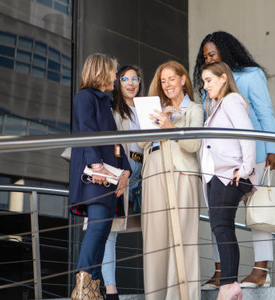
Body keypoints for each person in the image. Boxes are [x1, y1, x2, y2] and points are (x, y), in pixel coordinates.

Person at [193, 31, 275, 289]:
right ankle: (221, 271)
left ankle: (261, 271)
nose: (207, 58)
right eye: (205, 55)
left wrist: (274, 150)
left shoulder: (251, 76)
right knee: (218, 217)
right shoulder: (207, 85)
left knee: (258, 213)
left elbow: (265, 113)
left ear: (226, 51)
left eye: (212, 53)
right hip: (217, 164)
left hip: (256, 157)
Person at [69, 53, 131, 300]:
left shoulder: (104, 101)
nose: (115, 78)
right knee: (97, 228)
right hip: (96, 175)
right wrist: (96, 165)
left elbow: (115, 142)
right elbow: (86, 131)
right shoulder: (85, 96)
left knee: (103, 229)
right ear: (101, 72)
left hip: (109, 175)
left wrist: (125, 168)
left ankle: (93, 286)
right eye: (114, 72)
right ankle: (82, 286)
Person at [140, 60, 203, 299]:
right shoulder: (158, 109)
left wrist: (169, 127)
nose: (167, 85)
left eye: (171, 79)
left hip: (181, 174)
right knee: (155, 240)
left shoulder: (194, 109)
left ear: (183, 80)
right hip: (153, 172)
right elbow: (141, 143)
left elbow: (193, 144)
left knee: (182, 237)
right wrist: (158, 122)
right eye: (163, 81)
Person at [199, 61, 256, 300]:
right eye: (203, 82)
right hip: (216, 176)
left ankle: (229, 284)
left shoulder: (232, 101)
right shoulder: (216, 107)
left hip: (229, 174)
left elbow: (247, 135)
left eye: (208, 80)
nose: (205, 86)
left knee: (223, 227)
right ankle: (228, 283)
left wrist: (244, 170)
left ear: (224, 78)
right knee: (220, 228)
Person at [101, 65, 144, 300]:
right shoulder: (112, 108)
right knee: (112, 229)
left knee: (154, 226)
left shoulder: (147, 107)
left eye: (135, 78)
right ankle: (111, 290)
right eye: (125, 78)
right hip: (121, 171)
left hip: (147, 172)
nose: (130, 83)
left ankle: (162, 282)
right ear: (118, 82)